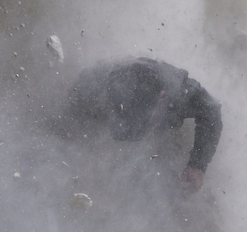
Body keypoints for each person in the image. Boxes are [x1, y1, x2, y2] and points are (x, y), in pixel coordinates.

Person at [65, 56, 222, 194]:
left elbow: (211, 110)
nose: (131, 119)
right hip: (104, 114)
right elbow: (67, 121)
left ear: (160, 98)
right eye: (125, 114)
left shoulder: (178, 91)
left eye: (138, 114)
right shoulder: (93, 88)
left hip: (165, 132)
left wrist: (197, 166)